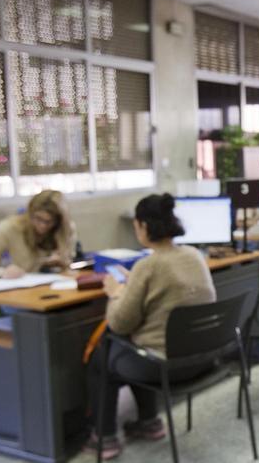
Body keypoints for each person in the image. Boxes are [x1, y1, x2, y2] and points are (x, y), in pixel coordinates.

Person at [85, 193, 216, 459]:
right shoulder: (193, 255)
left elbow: (120, 323)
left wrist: (116, 293)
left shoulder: (148, 265)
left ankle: (105, 438)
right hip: (203, 358)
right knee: (141, 341)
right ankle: (149, 422)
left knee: (104, 356)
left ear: (144, 226)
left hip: (167, 367)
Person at [0, 190, 76, 279]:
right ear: (30, 213)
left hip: (54, 285)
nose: (43, 226)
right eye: (38, 218)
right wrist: (3, 273)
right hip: (20, 289)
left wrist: (62, 263)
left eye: (49, 221)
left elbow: (69, 262)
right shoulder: (9, 227)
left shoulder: (65, 230)